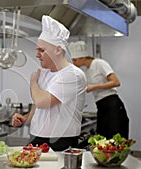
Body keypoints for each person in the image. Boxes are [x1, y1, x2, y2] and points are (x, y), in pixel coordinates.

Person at [11, 15, 87, 151]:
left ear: (58, 50)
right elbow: (38, 107)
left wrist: (33, 82)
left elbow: (42, 101)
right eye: (37, 50)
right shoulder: (45, 73)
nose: (37, 55)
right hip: (36, 137)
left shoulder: (72, 75)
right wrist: (25, 119)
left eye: (42, 50)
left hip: (60, 141)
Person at [68, 40, 129, 139]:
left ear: (83, 58)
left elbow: (116, 82)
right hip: (101, 105)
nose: (73, 63)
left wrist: (93, 87)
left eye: (75, 60)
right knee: (103, 139)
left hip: (112, 104)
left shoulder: (99, 63)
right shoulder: (87, 71)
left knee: (115, 139)